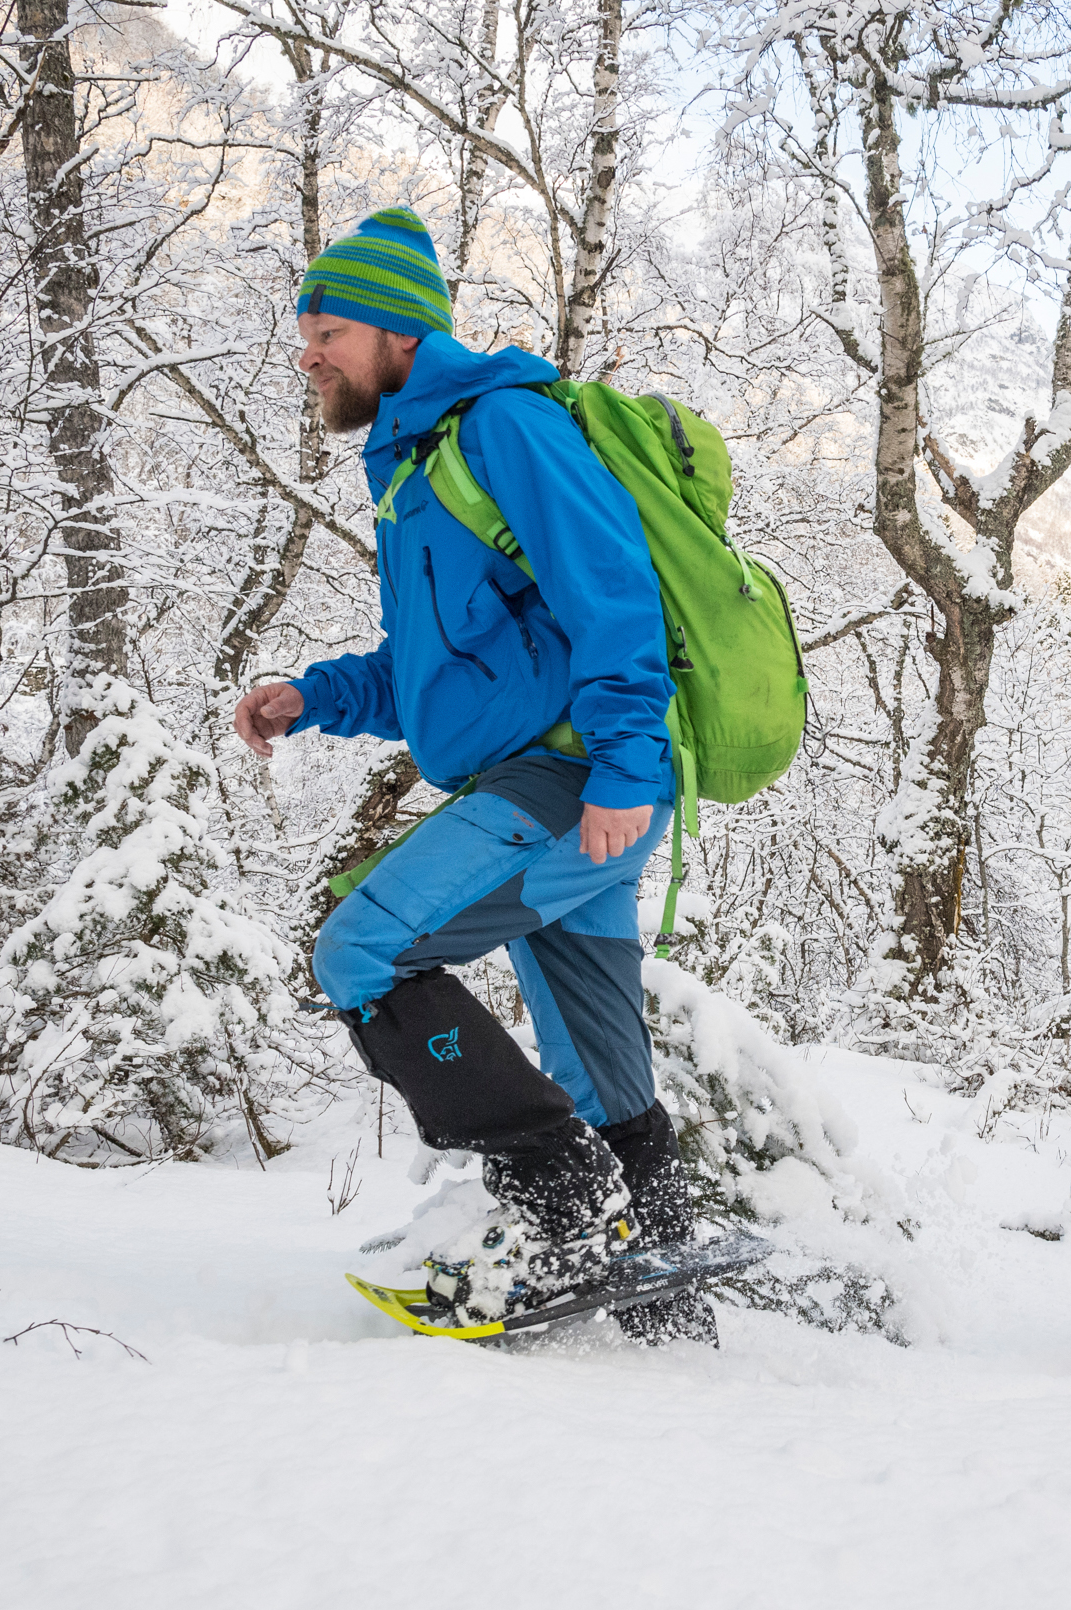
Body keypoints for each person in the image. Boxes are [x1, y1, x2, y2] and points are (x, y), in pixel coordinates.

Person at [231, 207, 708, 1342]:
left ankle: (559, 1204)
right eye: (305, 337)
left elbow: (613, 591)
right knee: (600, 1068)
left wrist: (625, 767)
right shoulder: (412, 466)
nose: (309, 357)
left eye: (330, 334)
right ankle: (670, 1313)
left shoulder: (502, 427)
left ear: (400, 332)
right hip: (549, 783)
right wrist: (317, 697)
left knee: (362, 949)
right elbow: (439, 674)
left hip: (573, 784)